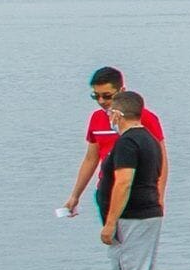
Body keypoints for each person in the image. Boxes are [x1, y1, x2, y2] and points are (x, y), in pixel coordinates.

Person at [97, 91, 168, 270]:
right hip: (150, 213)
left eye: (110, 112)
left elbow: (123, 183)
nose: (109, 117)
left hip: (132, 217)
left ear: (118, 114)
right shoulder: (149, 140)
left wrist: (110, 222)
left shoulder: (127, 142)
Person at [60, 66, 168, 220]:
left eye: (107, 96)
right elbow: (91, 159)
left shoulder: (144, 118)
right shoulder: (96, 119)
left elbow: (161, 160)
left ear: (122, 91)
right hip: (107, 191)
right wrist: (75, 196)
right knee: (112, 234)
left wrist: (159, 197)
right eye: (96, 96)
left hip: (138, 193)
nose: (101, 101)